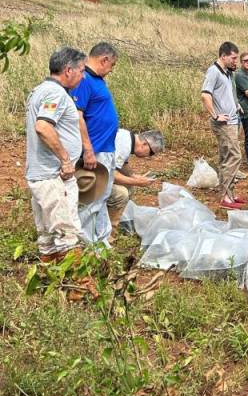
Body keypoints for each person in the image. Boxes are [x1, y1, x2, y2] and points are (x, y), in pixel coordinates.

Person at [25, 47, 86, 262]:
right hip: (53, 176)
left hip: (41, 174)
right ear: (68, 70)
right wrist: (66, 159)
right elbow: (43, 127)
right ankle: (78, 291)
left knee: (48, 237)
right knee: (67, 233)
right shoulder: (55, 93)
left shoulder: (40, 90)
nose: (83, 75)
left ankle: (48, 284)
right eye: (81, 70)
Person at [73, 42, 119, 245]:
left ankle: (101, 240)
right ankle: (86, 243)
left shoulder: (98, 80)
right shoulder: (84, 80)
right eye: (112, 65)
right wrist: (88, 149)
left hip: (106, 148)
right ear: (104, 59)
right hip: (96, 149)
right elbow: (78, 115)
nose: (111, 70)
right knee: (91, 199)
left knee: (102, 197)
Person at [201, 41, 243, 209]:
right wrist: (216, 115)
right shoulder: (213, 72)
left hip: (233, 121)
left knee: (226, 157)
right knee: (235, 156)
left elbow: (227, 94)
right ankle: (224, 195)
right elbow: (205, 95)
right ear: (223, 56)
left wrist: (236, 106)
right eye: (233, 58)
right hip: (223, 123)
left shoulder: (227, 73)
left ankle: (230, 193)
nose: (235, 61)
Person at [106, 129, 165, 238]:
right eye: (151, 152)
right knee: (121, 194)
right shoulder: (124, 144)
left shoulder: (127, 137)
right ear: (144, 144)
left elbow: (121, 164)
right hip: (92, 173)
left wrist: (133, 176)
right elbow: (110, 175)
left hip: (99, 170)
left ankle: (121, 221)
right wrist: (137, 182)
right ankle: (108, 235)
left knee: (128, 186)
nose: (148, 156)